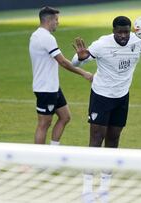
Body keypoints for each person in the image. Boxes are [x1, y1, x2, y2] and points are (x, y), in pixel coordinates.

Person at [71, 16, 141, 203]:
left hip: (122, 97)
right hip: (101, 97)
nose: (123, 36)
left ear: (130, 30)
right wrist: (80, 59)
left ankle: (104, 190)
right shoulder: (101, 45)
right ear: (113, 31)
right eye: (119, 32)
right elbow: (76, 61)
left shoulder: (137, 41)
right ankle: (87, 190)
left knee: (113, 140)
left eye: (126, 32)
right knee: (96, 140)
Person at [29, 6, 93, 145]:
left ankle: (54, 150)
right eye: (56, 20)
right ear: (49, 20)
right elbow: (63, 62)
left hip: (52, 87)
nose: (58, 22)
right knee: (44, 124)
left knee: (65, 117)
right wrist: (84, 73)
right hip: (45, 89)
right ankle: (38, 159)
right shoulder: (47, 38)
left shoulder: (36, 35)